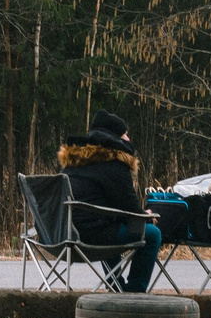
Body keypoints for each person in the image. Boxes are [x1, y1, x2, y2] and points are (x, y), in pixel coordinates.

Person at [57, 111, 159, 293]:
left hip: (60, 235)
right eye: (125, 134)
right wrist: (147, 216)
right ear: (115, 137)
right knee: (152, 234)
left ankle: (116, 286)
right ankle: (134, 292)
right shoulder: (114, 164)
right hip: (91, 238)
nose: (128, 138)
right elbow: (130, 209)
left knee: (109, 223)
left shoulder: (73, 163)